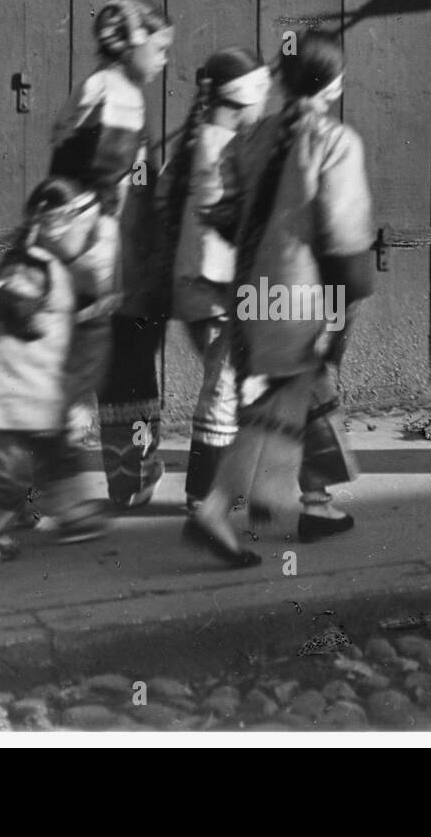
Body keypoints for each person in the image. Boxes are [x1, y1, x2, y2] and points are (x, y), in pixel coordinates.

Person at [185, 30, 376, 567]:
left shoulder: (254, 135)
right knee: (289, 404)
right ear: (331, 83)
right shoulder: (335, 141)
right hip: (305, 295)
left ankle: (289, 503)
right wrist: (348, 301)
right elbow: (345, 235)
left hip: (254, 293)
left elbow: (221, 210)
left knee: (285, 405)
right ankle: (225, 510)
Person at [48, 0, 175, 511]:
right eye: (161, 47)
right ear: (132, 44)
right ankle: (128, 478)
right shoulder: (119, 96)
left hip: (88, 255)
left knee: (108, 369)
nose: (165, 59)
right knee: (125, 365)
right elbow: (104, 186)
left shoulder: (99, 87)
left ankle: (125, 479)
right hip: (111, 256)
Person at [161, 48, 272, 513]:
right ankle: (204, 495)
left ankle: (228, 487)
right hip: (218, 289)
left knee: (230, 384)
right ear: (246, 96)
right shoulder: (222, 149)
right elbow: (217, 235)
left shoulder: (195, 141)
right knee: (225, 388)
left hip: (196, 289)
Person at [0, 177, 111, 551]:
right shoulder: (31, 264)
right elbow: (2, 303)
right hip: (19, 393)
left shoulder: (48, 263)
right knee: (9, 473)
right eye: (77, 225)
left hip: (40, 391)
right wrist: (21, 311)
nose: (84, 236)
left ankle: (74, 513)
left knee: (57, 458)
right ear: (53, 225)